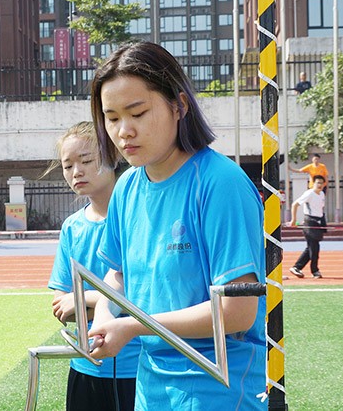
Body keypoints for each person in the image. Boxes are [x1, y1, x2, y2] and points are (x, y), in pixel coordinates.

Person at [86, 42, 267, 410]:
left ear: (179, 106)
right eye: (112, 117)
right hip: (151, 388)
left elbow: (237, 311)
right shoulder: (127, 188)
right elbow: (117, 274)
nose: (124, 131)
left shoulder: (220, 183)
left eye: (137, 112)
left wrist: (134, 326)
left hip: (218, 390)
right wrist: (105, 315)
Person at [46, 121, 138, 411]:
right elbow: (61, 305)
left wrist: (82, 298)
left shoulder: (137, 218)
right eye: (67, 165)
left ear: (113, 158)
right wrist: (106, 302)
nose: (77, 172)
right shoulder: (72, 228)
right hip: (85, 364)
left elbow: (145, 294)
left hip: (137, 364)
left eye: (86, 161)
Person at [288, 175, 326, 279]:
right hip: (309, 222)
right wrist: (293, 220)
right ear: (312, 183)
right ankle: (315, 271)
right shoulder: (309, 193)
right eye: (317, 183)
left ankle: (296, 267)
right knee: (314, 248)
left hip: (318, 222)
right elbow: (295, 204)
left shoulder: (322, 194)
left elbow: (320, 210)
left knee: (311, 247)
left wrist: (323, 223)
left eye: (321, 183)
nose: (320, 185)